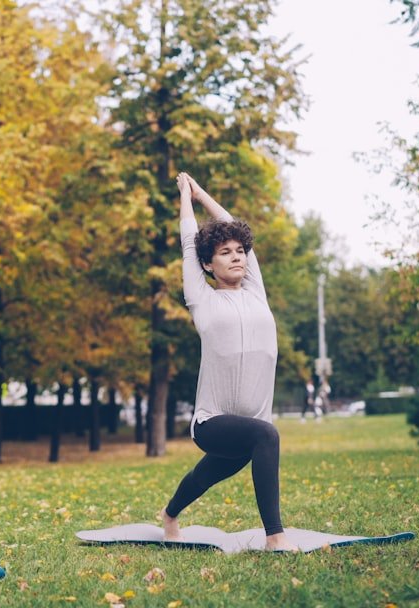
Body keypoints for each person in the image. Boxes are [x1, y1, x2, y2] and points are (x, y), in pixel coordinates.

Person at [159, 173, 298, 552]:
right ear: (207, 264)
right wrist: (187, 197)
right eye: (225, 252)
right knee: (266, 435)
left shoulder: (256, 290)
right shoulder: (202, 300)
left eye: (240, 250)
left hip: (249, 425)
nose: (237, 256)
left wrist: (205, 193)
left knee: (206, 475)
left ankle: (169, 515)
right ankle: (276, 537)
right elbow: (190, 242)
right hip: (212, 422)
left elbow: (236, 231)